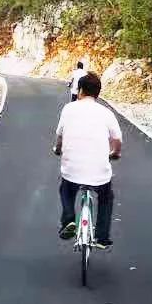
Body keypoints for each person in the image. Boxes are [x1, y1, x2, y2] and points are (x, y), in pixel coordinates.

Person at [54, 71, 122, 247]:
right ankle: (102, 237)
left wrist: (58, 149)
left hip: (72, 171)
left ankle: (69, 219)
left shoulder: (68, 109)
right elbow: (117, 139)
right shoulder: (106, 113)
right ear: (97, 93)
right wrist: (115, 153)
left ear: (81, 90)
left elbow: (60, 136)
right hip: (99, 173)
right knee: (106, 197)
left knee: (66, 189)